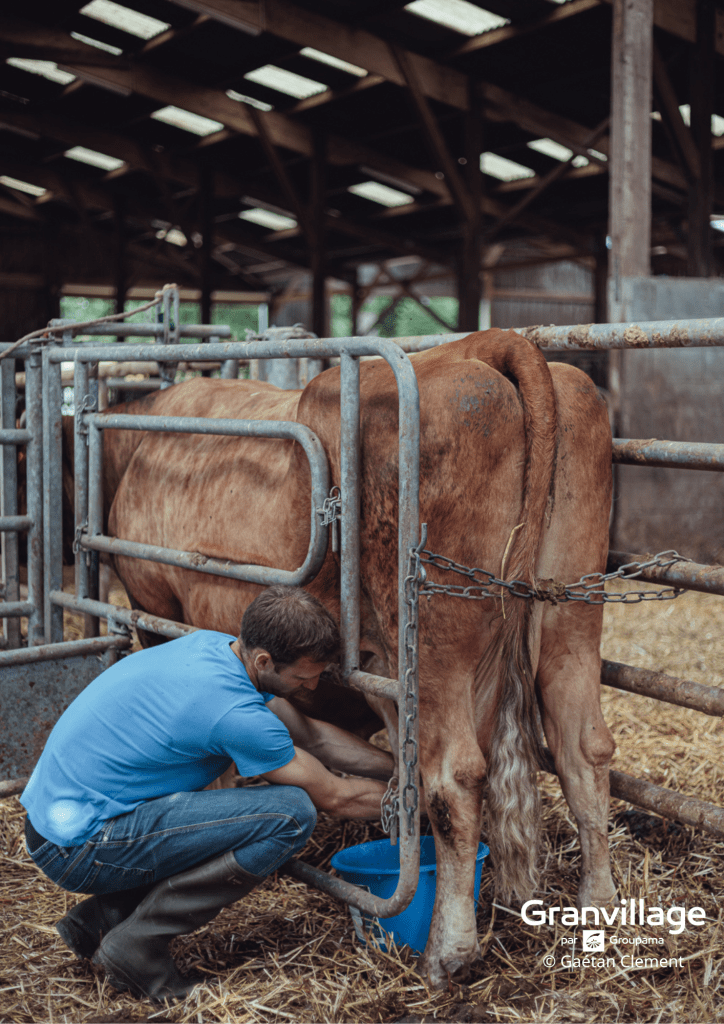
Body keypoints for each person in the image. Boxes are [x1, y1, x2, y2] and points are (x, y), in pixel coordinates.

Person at [21, 586, 395, 1002]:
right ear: (264, 660)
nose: (312, 685)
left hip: (59, 820)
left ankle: (102, 917)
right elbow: (337, 797)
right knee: (290, 813)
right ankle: (138, 944)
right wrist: (417, 804)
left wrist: (402, 770)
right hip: (77, 846)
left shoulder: (218, 648)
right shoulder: (235, 713)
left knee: (222, 816)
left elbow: (312, 736)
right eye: (304, 676)